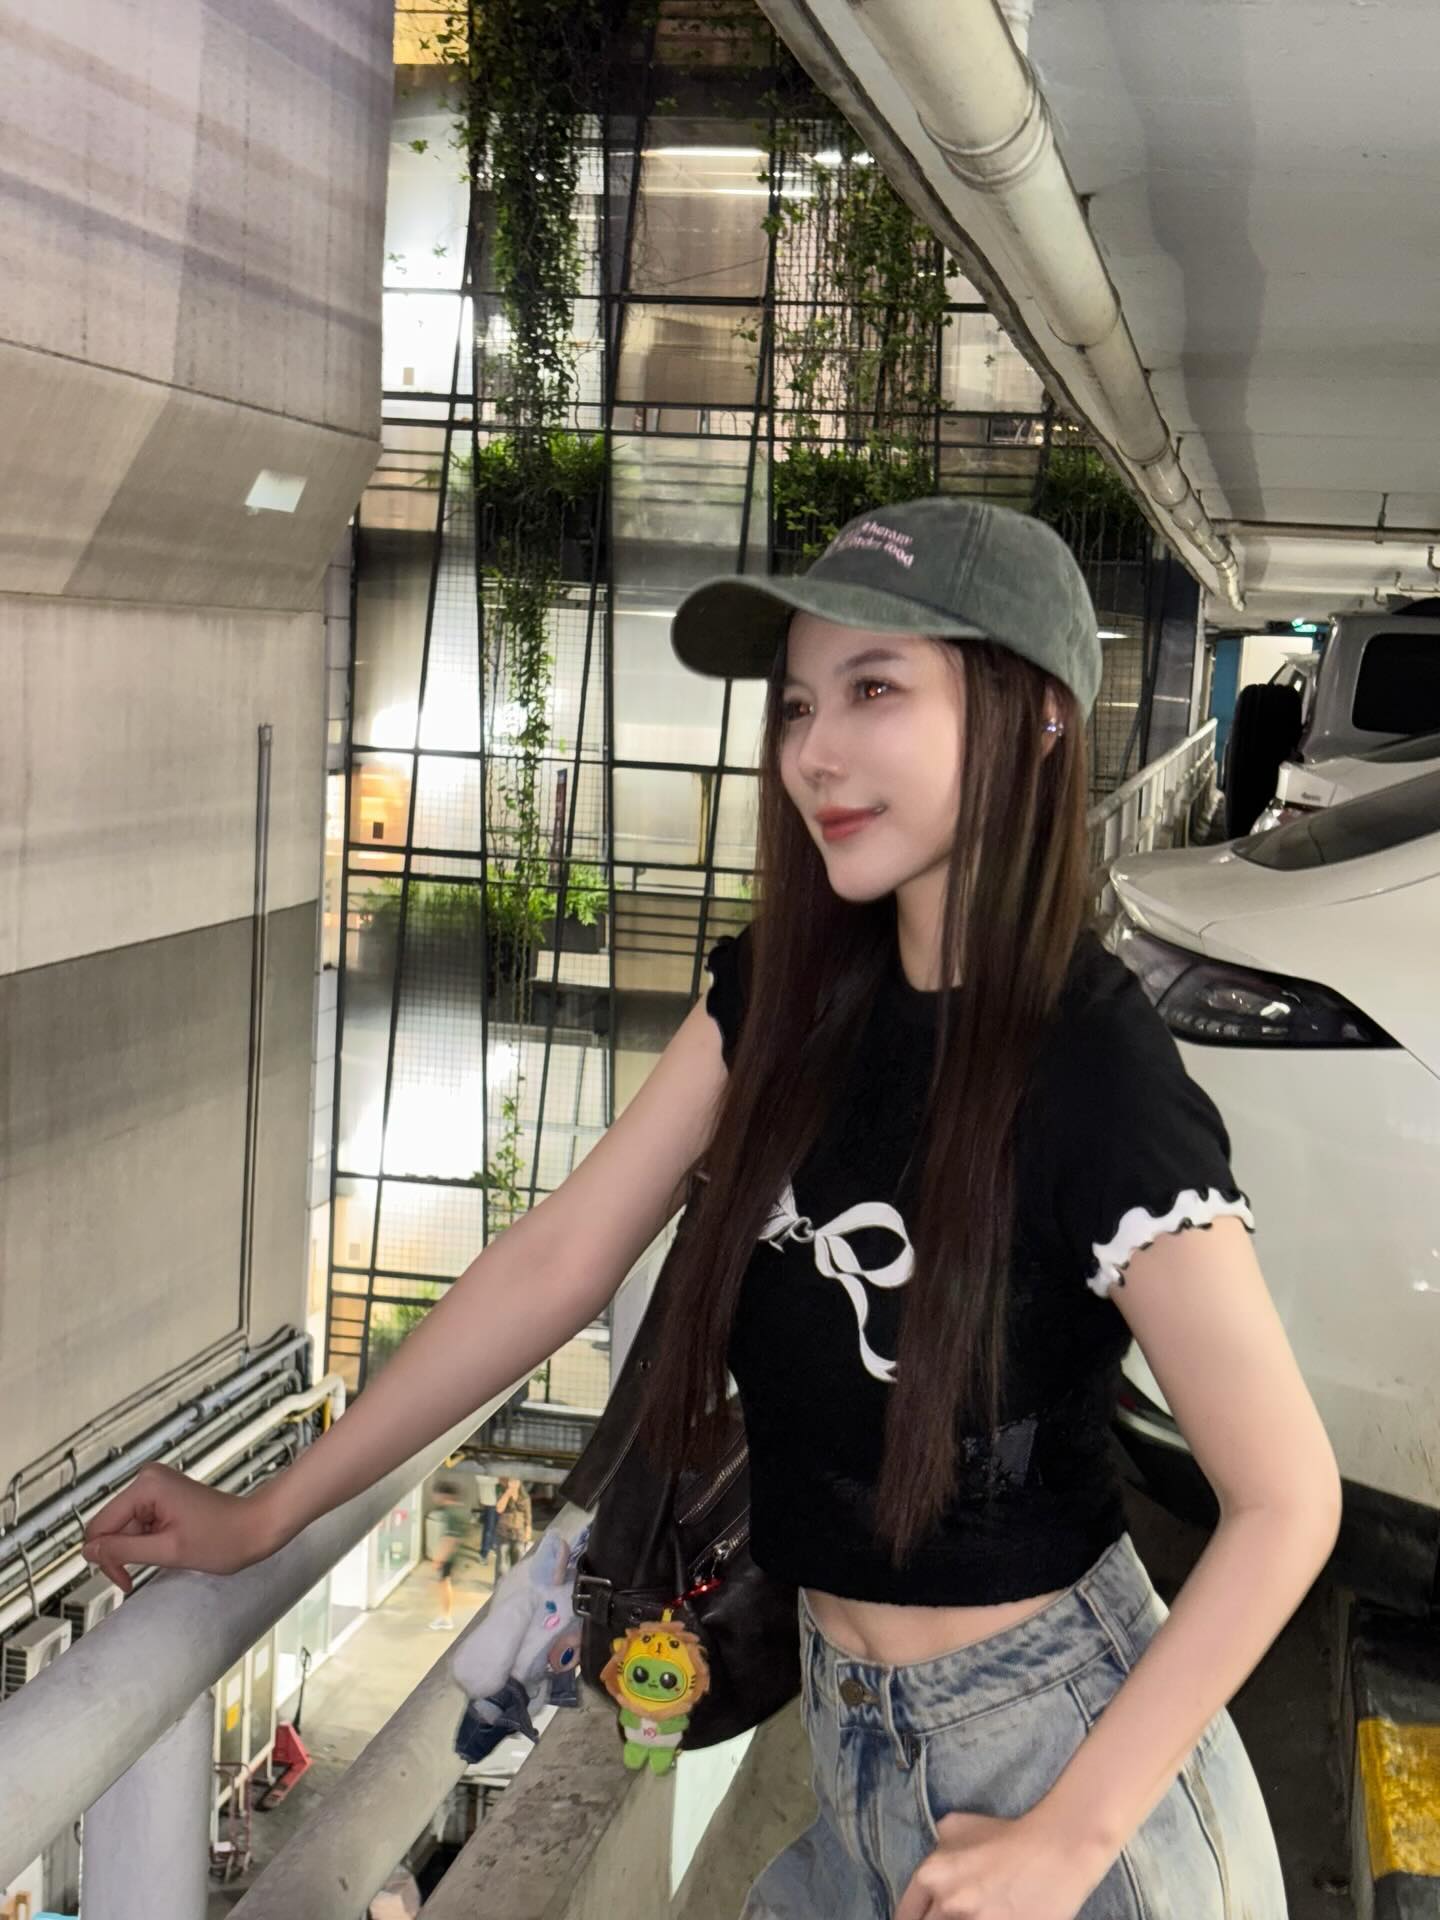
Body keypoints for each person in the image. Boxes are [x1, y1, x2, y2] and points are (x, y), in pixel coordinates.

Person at [84, 498, 1339, 1919]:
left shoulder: (1091, 1061)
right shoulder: (782, 1000)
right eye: (798, 703)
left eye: (875, 690)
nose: (814, 752)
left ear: (1035, 715)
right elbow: (558, 1260)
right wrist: (270, 1514)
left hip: (1059, 1772)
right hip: (855, 1748)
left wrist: (1070, 1836)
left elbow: (1286, 1498)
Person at [427, 1475, 472, 1631]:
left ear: (444, 1495)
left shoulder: (451, 1513)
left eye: (436, 1494)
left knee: (444, 1585)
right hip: (454, 1555)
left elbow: (450, 1538)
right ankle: (445, 1616)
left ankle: (446, 1618)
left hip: (449, 1557)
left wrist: (439, 1559)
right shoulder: (459, 1509)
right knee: (446, 1585)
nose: (434, 1497)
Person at [493, 1477, 532, 1577]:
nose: (513, 1484)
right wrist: (508, 1493)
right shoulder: (502, 1493)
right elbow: (499, 1509)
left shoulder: (524, 1497)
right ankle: (501, 1584)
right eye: (511, 1481)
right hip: (503, 1533)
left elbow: (528, 1517)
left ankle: (514, 1583)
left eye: (515, 1481)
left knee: (518, 1563)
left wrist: (528, 1533)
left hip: (519, 1533)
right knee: (502, 1565)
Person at [473, 1468, 502, 1564]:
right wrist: (498, 1479)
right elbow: (480, 1479)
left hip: (499, 1502)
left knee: (495, 1526)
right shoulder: (481, 1470)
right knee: (489, 1529)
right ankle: (483, 1554)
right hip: (490, 1503)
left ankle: (491, 1545)